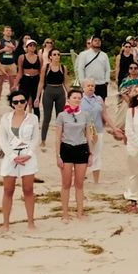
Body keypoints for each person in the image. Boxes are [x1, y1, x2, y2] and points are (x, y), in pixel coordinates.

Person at [0, 90, 39, 231]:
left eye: (22, 101)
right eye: (16, 102)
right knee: (8, 190)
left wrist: (29, 154)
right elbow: (2, 139)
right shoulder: (5, 118)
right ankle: (6, 223)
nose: (19, 104)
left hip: (27, 156)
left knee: (28, 189)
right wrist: (12, 157)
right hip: (11, 156)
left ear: (26, 102)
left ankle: (31, 222)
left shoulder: (33, 118)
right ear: (12, 104)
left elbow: (35, 138)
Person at [56, 88, 92, 221]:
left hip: (81, 148)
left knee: (79, 184)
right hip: (66, 149)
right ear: (68, 99)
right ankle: (65, 214)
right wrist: (58, 156)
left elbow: (88, 134)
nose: (77, 100)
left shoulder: (85, 115)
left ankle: (80, 213)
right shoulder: (62, 115)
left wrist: (91, 153)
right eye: (74, 97)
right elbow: (58, 137)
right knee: (66, 184)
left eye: (79, 98)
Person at [80, 79, 110, 183]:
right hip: (82, 132)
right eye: (88, 85)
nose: (90, 87)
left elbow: (105, 114)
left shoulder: (99, 99)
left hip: (98, 130)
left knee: (96, 155)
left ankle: (96, 181)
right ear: (83, 87)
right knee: (82, 155)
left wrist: (114, 128)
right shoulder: (79, 99)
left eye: (92, 86)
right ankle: (80, 178)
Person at [37, 47, 68, 147]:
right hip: (48, 92)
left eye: (58, 54)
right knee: (47, 117)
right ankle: (43, 140)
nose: (57, 56)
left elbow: (66, 82)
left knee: (60, 117)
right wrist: (37, 97)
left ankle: (61, 139)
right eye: (54, 54)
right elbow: (41, 82)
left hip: (60, 92)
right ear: (50, 56)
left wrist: (70, 94)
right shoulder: (45, 67)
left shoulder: (63, 68)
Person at [17, 40, 42, 107]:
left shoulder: (39, 57)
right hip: (25, 79)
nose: (32, 47)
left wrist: (42, 83)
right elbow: (20, 72)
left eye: (34, 45)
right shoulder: (22, 57)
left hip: (36, 79)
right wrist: (15, 84)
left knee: (36, 103)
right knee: (23, 101)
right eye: (30, 45)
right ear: (27, 47)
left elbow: (41, 72)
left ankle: (35, 113)